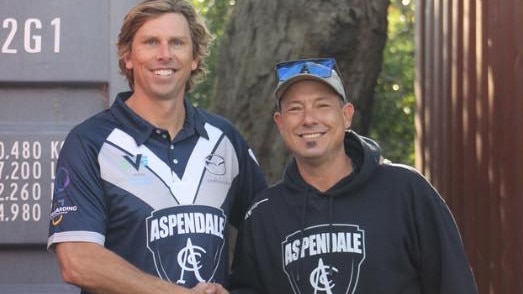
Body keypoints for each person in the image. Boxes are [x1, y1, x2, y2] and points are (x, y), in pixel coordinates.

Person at [47, 1, 266, 293]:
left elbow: (269, 232)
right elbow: (77, 260)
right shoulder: (90, 142)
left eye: (177, 43)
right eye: (151, 42)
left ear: (195, 58)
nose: (165, 55)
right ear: (127, 56)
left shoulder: (224, 139)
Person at [229, 58, 478, 293]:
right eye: (295, 109)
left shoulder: (406, 191)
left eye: (322, 105)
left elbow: (454, 283)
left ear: (346, 115)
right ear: (280, 123)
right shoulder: (263, 215)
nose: (309, 119)